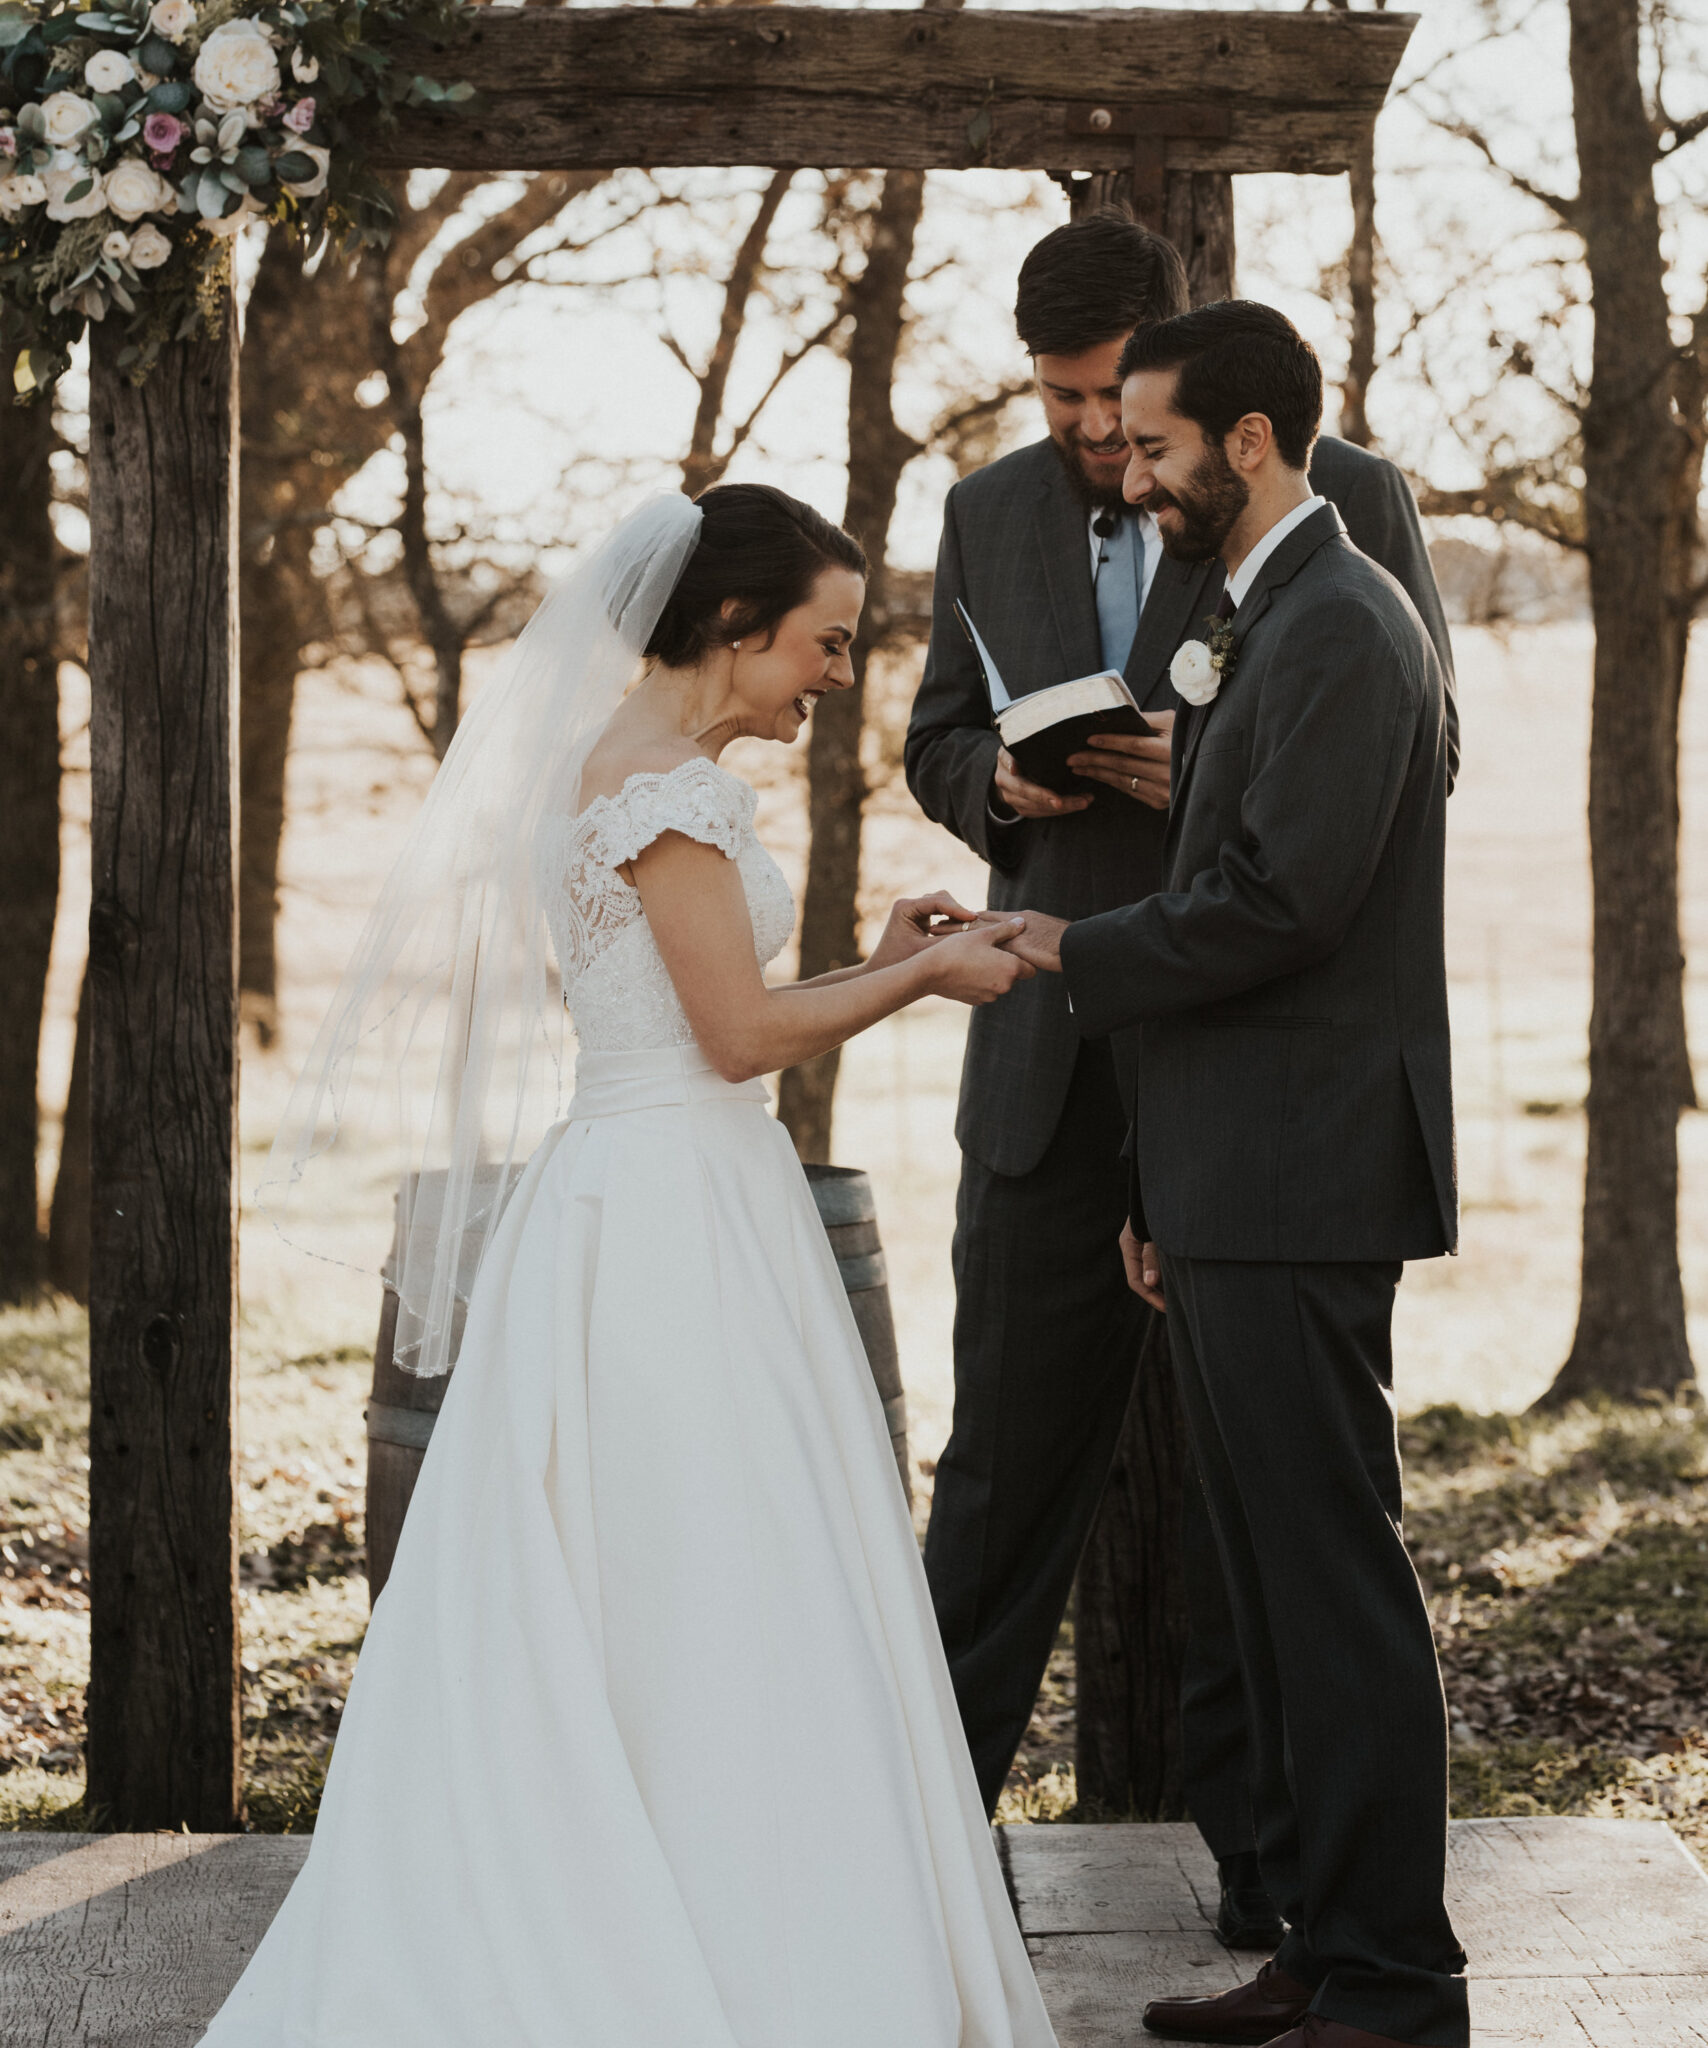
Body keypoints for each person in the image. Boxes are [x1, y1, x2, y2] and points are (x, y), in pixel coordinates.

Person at [202, 484, 1058, 2048]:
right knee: (710, 1578)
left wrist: (875, 960)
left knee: (687, 1570)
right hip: (675, 1218)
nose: (835, 674)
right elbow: (735, 1041)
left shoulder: (631, 776)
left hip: (659, 1179)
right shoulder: (666, 791)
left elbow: (701, 1023)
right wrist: (930, 974)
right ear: (736, 627)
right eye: (825, 640)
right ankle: (721, 1941)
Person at [905, 213, 1457, 1942]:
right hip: (1053, 1073)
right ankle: (914, 1853)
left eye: (1115, 405)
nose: (1091, 438)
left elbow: (1413, 744)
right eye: (1063, 402)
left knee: (1259, 1503)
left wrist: (1200, 771)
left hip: (1256, 1068)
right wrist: (1005, 793)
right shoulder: (987, 513)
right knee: (997, 1486)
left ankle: (1280, 1886)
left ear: (1187, 374)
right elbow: (934, 735)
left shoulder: (1338, 503)